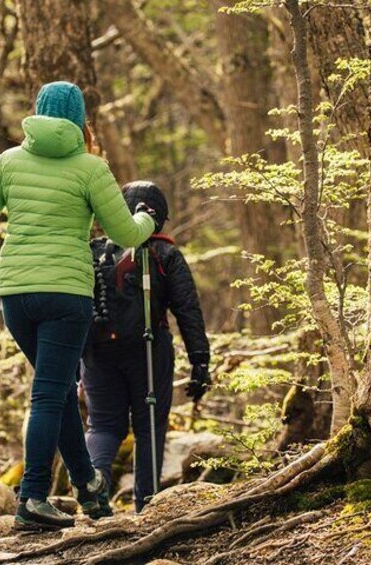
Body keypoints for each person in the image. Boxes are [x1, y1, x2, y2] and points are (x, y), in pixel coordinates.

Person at [0, 81, 155, 531]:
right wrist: (146, 217)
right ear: (80, 120)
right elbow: (127, 235)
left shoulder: (8, 162)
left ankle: (89, 486)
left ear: (36, 113)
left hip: (16, 294)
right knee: (49, 393)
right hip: (65, 295)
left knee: (55, 390)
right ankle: (33, 496)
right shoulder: (90, 168)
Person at [82, 180, 211, 515]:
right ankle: (147, 508)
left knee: (103, 426)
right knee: (149, 427)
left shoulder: (94, 251)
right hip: (148, 352)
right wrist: (200, 362)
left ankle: (94, 492)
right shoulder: (165, 254)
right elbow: (188, 310)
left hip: (96, 353)